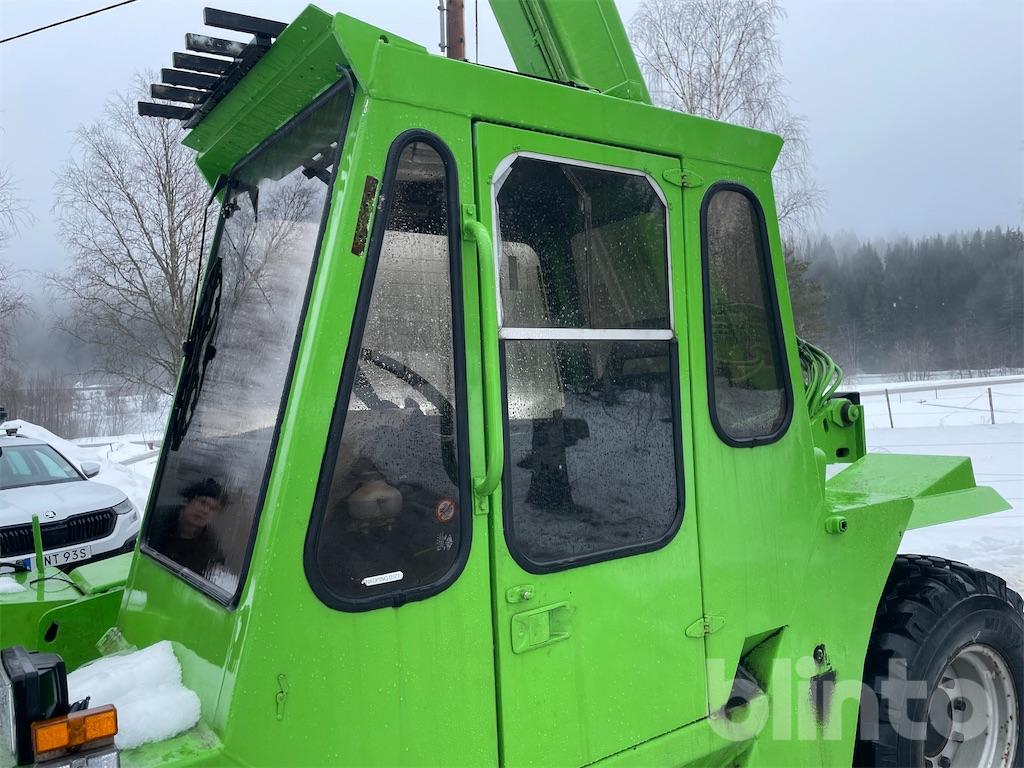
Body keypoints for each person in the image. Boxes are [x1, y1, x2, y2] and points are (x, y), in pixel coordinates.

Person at [150, 477, 226, 576]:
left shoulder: (210, 545)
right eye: (203, 502)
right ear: (188, 500)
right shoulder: (157, 519)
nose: (205, 511)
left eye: (212, 509)